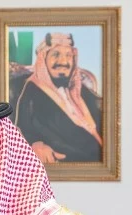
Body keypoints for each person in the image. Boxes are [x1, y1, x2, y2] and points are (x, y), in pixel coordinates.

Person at [14, 33, 103, 163]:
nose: (63, 62)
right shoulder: (32, 91)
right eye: (55, 54)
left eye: (68, 55)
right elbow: (22, 128)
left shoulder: (79, 89)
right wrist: (35, 144)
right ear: (43, 59)